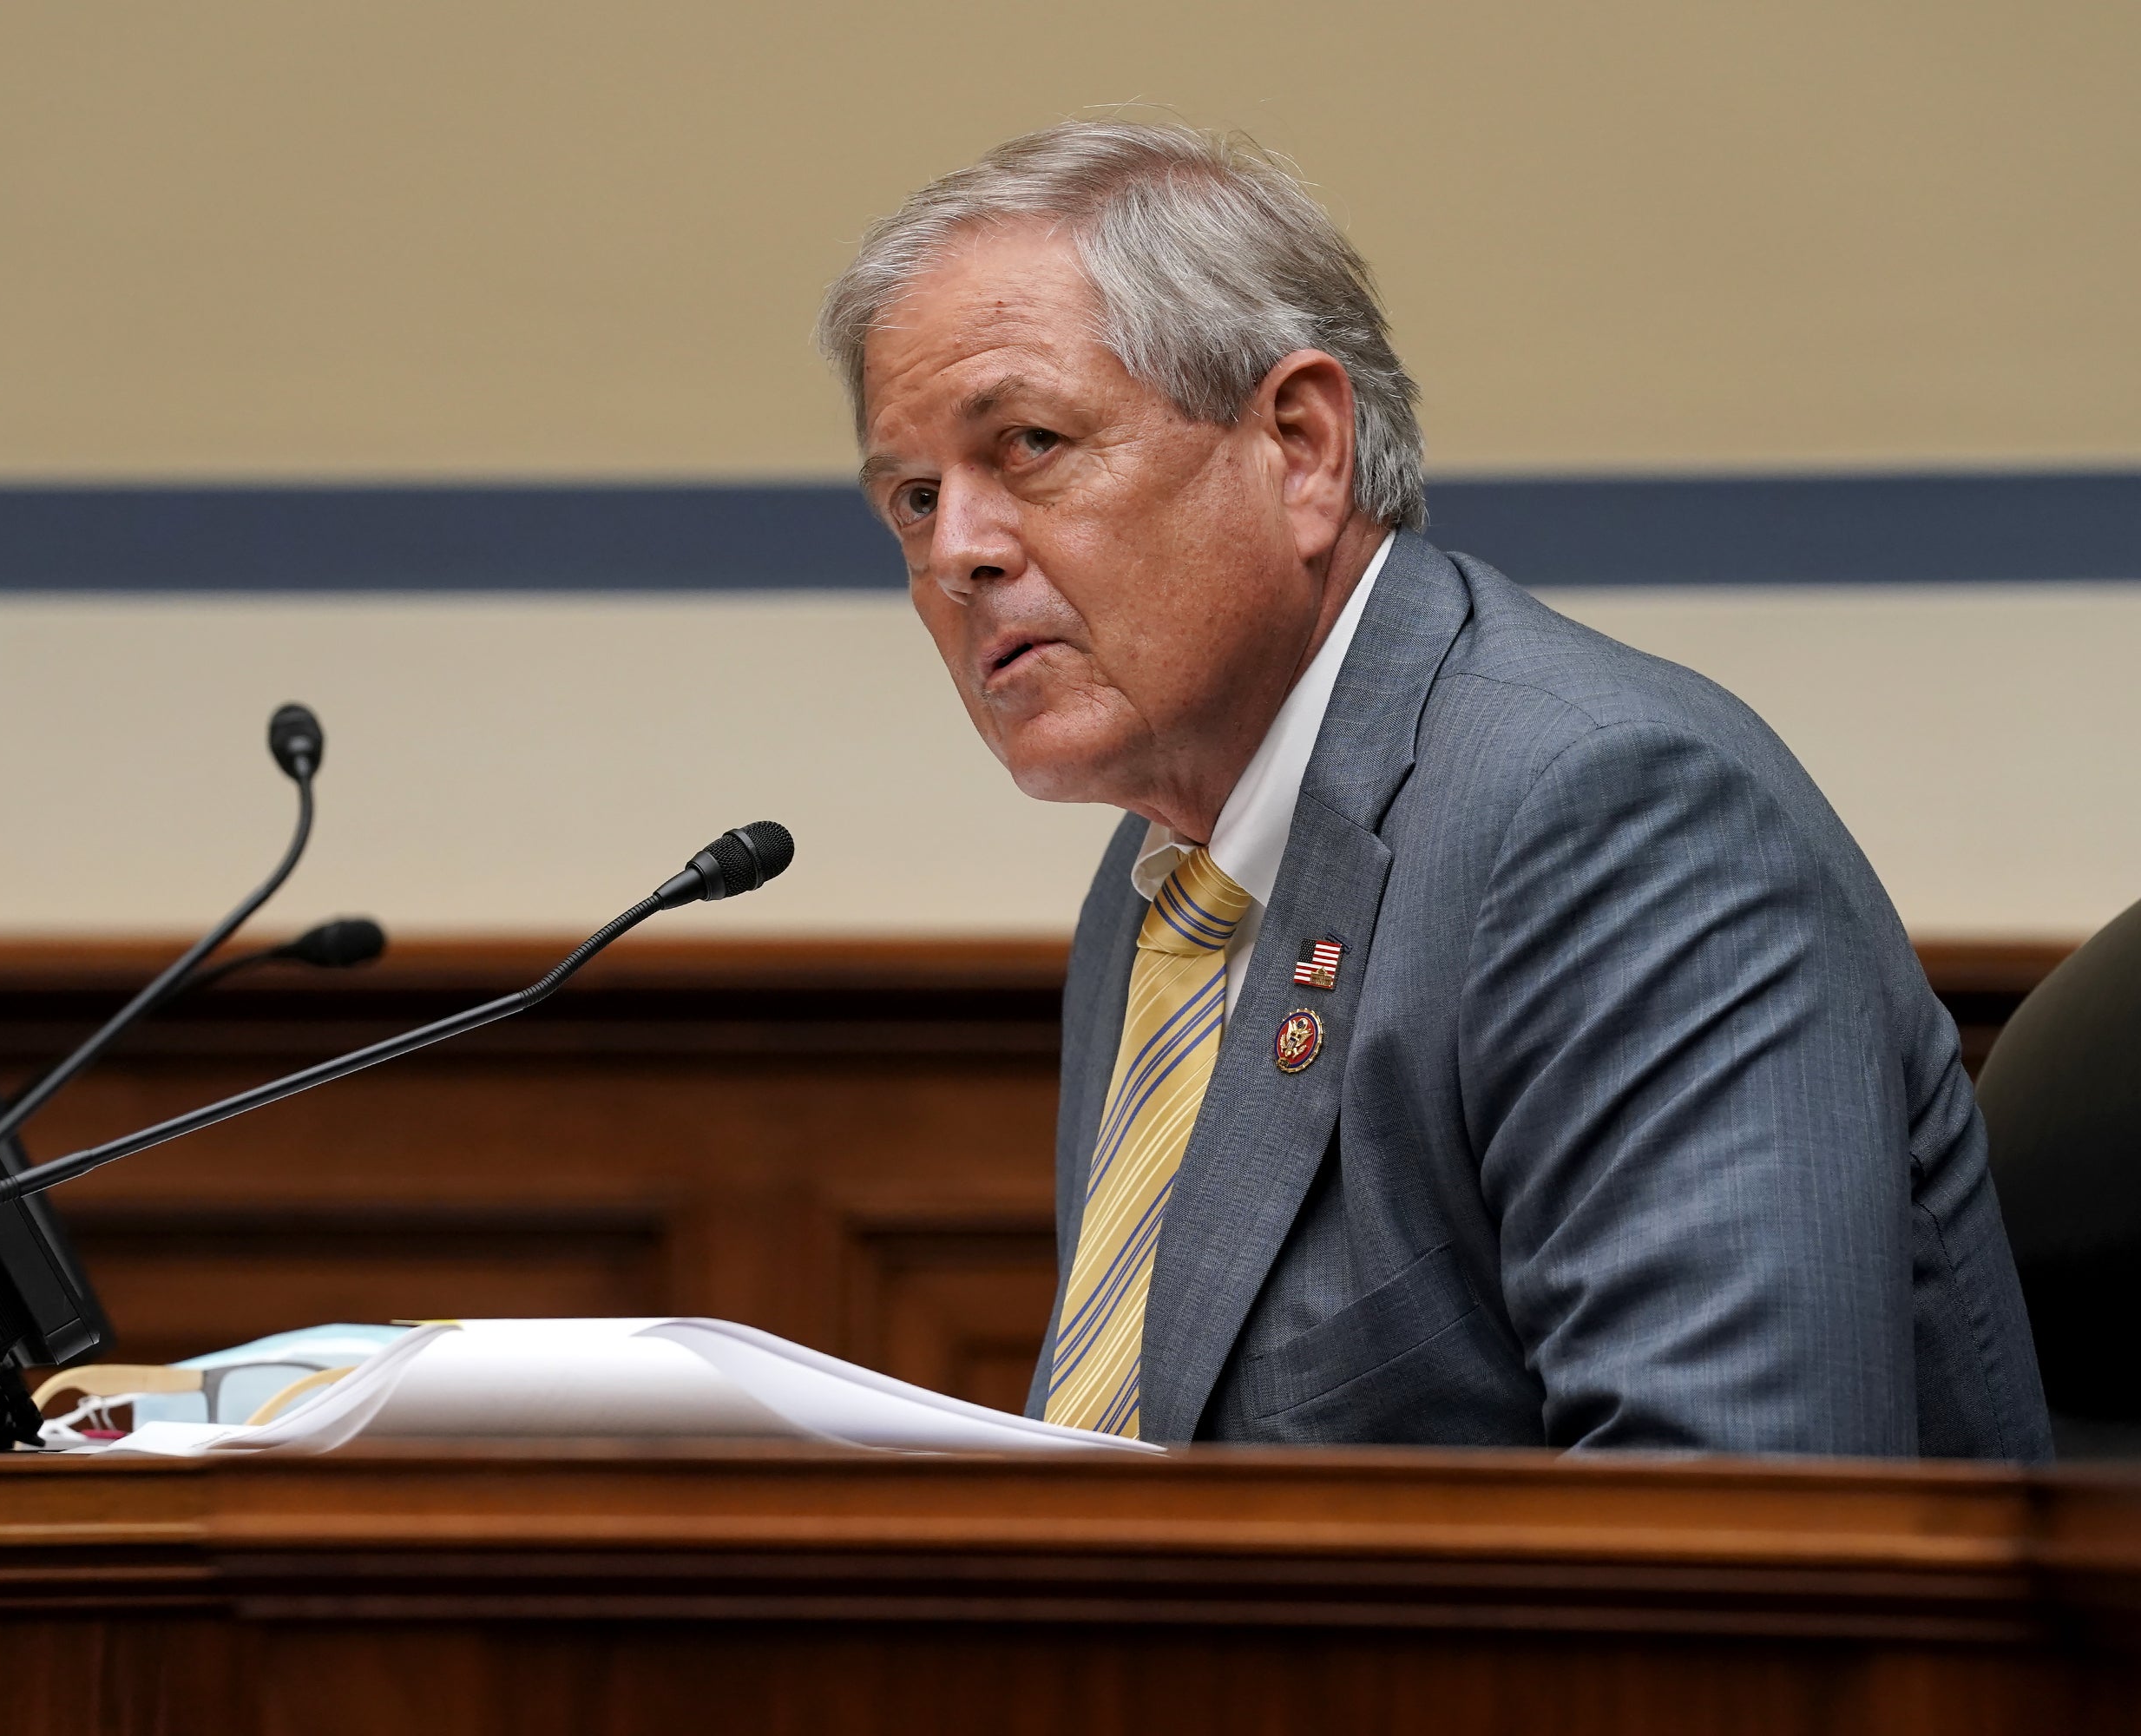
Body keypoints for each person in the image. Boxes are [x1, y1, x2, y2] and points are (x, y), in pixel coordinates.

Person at [816, 121, 2051, 1457]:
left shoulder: (1614, 820)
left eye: (1033, 445)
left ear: (1299, 446)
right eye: (914, 497)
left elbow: (1722, 1537)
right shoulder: (1162, 892)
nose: (957, 554)